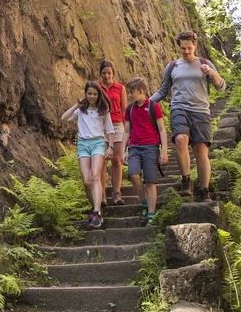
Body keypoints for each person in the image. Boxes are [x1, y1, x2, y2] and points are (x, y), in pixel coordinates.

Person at [149, 30, 226, 202]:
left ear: (195, 46)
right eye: (183, 48)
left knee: (200, 150)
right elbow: (163, 90)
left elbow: (221, 86)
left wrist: (211, 73)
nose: (186, 51)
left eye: (189, 48)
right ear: (179, 47)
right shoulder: (172, 66)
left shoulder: (205, 63)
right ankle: (186, 181)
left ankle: (204, 191)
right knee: (180, 139)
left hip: (201, 111)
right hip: (179, 108)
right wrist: (147, 103)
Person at [62, 81, 115, 228]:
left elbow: (110, 129)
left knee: (95, 176)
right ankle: (95, 210)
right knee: (86, 181)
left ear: (99, 95)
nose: (92, 96)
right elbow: (64, 118)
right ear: (85, 94)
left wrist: (110, 147)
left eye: (95, 94)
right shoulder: (81, 110)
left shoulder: (103, 110)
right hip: (83, 145)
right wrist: (77, 105)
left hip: (98, 143)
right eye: (89, 93)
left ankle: (97, 212)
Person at [122, 77, 167, 226]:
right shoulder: (130, 109)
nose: (129, 95)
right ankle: (145, 202)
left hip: (151, 147)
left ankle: (151, 213)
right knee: (133, 175)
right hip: (134, 147)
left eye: (131, 92)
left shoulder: (154, 107)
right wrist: (122, 151)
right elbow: (126, 132)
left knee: (150, 181)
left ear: (141, 91)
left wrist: (164, 151)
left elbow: (162, 129)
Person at [98, 61, 127, 207]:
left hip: (117, 125)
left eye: (109, 73)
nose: (106, 75)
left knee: (116, 160)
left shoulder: (120, 88)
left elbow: (124, 110)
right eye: (104, 73)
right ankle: (102, 195)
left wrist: (127, 130)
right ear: (100, 74)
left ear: (113, 73)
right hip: (102, 126)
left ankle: (116, 194)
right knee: (103, 161)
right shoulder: (97, 88)